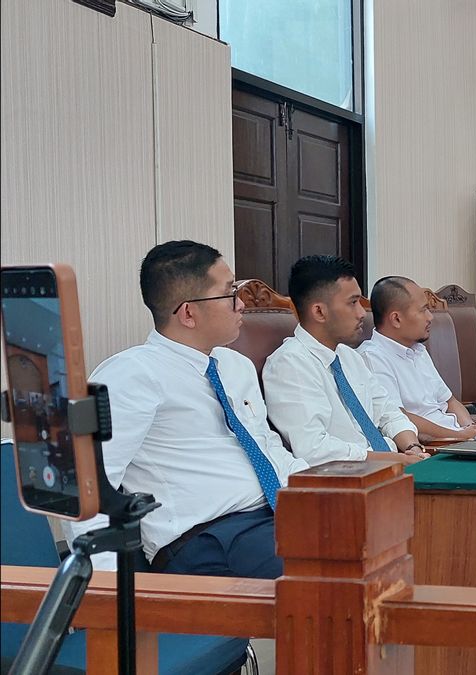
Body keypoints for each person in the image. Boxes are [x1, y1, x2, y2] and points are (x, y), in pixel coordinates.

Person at [66, 240, 307, 579]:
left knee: (384, 538)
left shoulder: (233, 365)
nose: (241, 305)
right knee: (337, 577)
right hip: (207, 538)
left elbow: (266, 445)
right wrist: (103, 590)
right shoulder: (132, 375)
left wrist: (319, 488)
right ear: (188, 313)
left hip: (274, 513)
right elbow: (86, 484)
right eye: (229, 294)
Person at [263, 256, 428, 467]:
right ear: (319, 312)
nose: (361, 313)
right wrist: (395, 459)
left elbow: (388, 411)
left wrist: (412, 448)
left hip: (390, 464)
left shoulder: (348, 356)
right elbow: (314, 450)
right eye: (352, 303)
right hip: (348, 478)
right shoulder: (289, 365)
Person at [358, 276, 476, 440]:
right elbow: (398, 418)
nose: (430, 317)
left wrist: (470, 428)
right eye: (423, 310)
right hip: (435, 445)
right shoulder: (373, 357)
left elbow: (450, 401)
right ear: (396, 319)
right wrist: (457, 435)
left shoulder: (418, 350)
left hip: (457, 439)